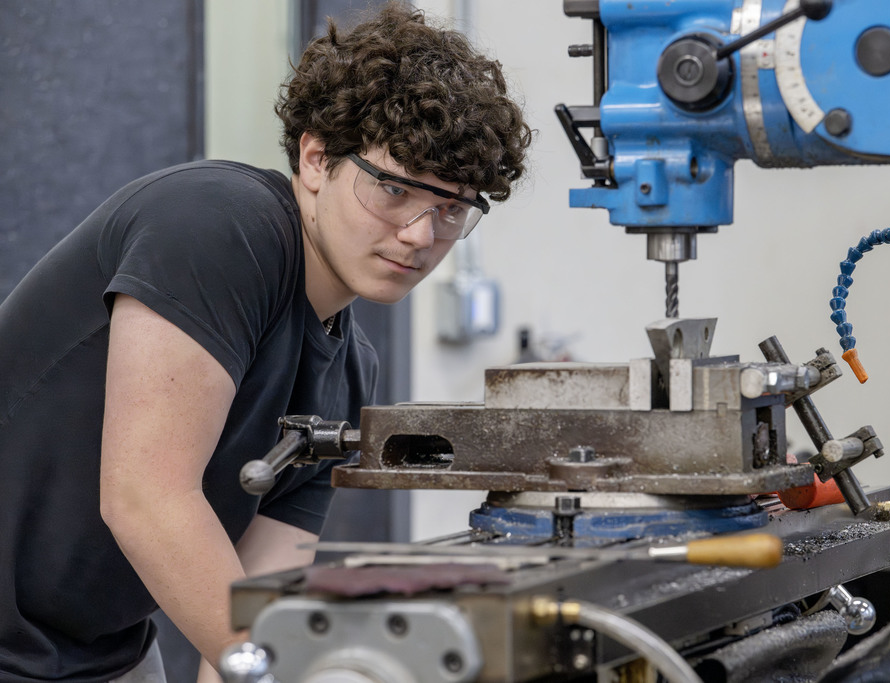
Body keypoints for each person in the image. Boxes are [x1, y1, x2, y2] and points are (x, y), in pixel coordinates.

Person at [0, 3, 531, 681]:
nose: (421, 235)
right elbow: (143, 495)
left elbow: (255, 611)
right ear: (316, 158)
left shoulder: (347, 373)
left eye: (451, 207)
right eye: (394, 188)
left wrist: (272, 662)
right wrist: (281, 667)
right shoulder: (219, 226)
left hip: (102, 652)